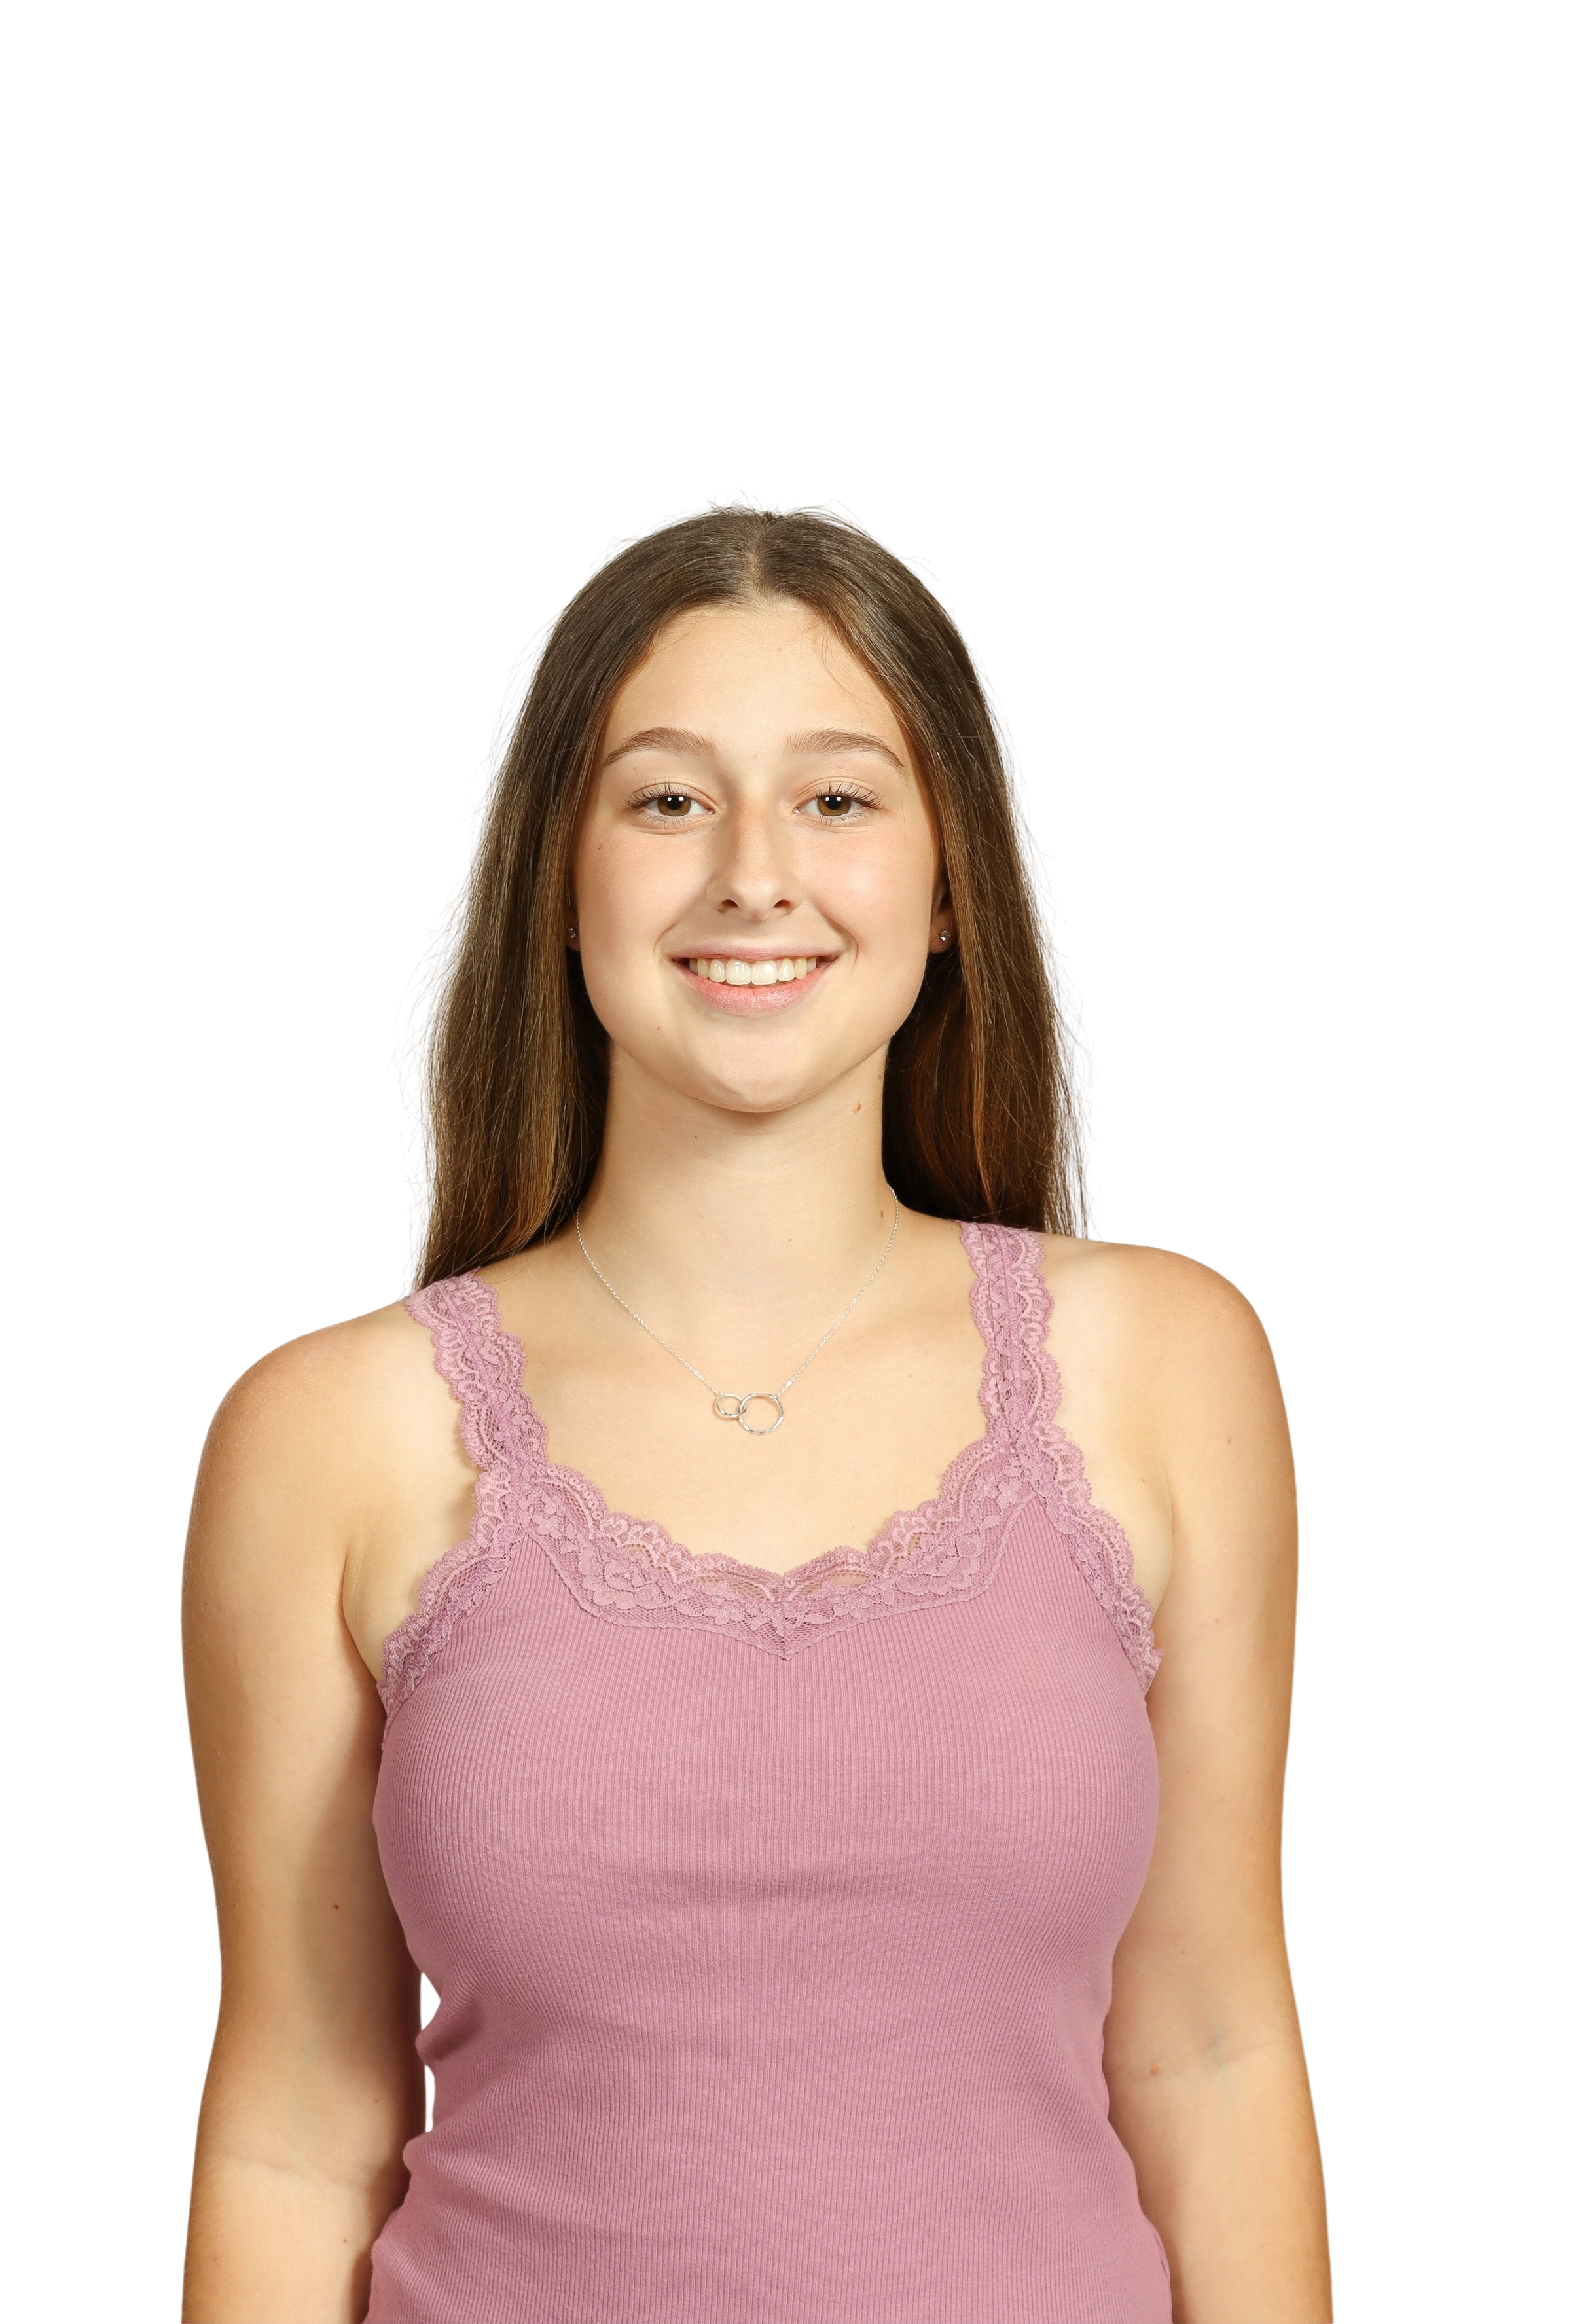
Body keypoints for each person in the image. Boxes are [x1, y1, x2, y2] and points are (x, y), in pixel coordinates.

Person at [177, 490, 1335, 2324]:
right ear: (559, 879)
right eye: (666, 799)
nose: (753, 875)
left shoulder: (1165, 1369)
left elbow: (1209, 2048)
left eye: (839, 799)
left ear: (949, 888)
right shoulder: (330, 1434)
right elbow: (297, 2127)